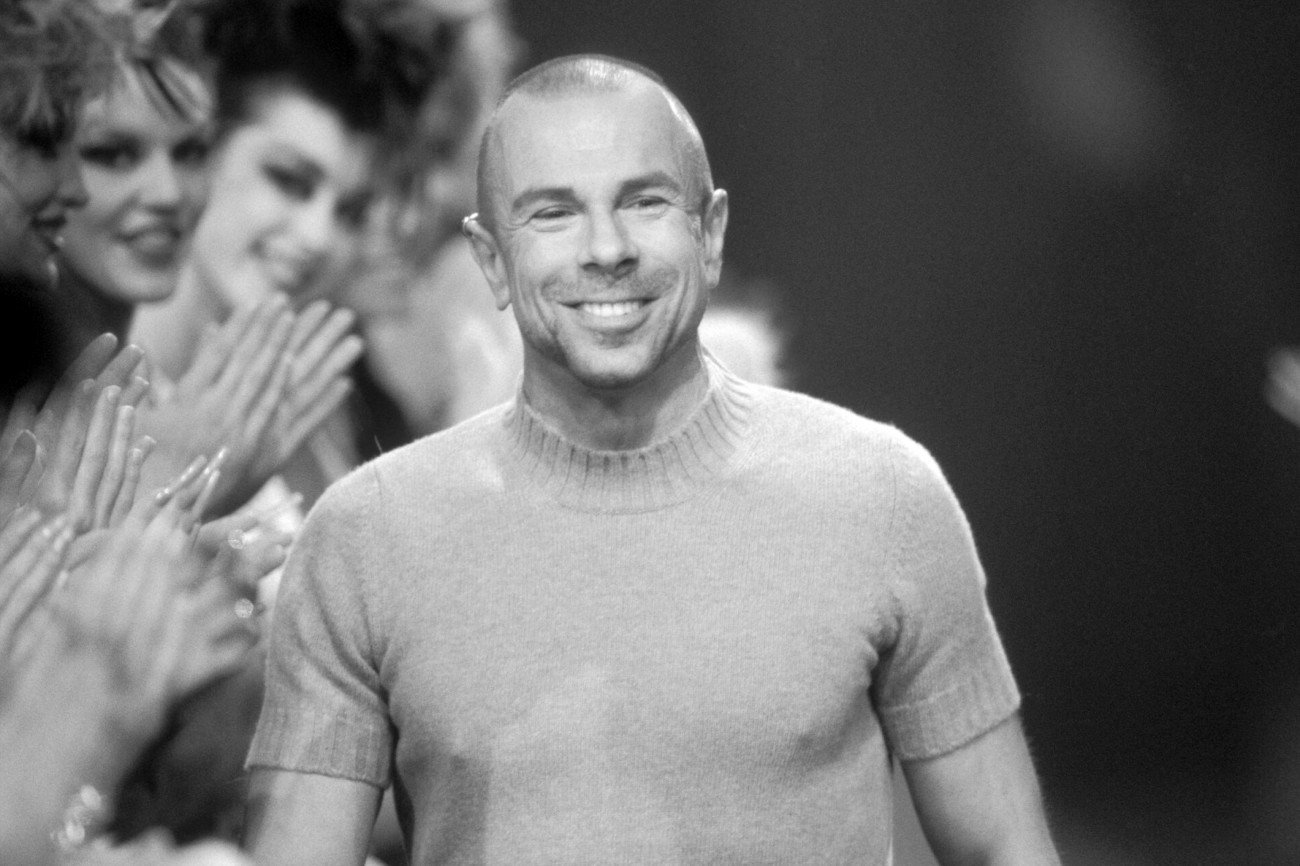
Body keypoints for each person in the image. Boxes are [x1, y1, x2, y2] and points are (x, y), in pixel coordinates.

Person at [243, 54, 1061, 864]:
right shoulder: (365, 538)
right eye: (554, 214)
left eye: (644, 202)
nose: (607, 248)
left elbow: (1004, 848)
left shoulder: (883, 497)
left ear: (710, 234)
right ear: (491, 260)